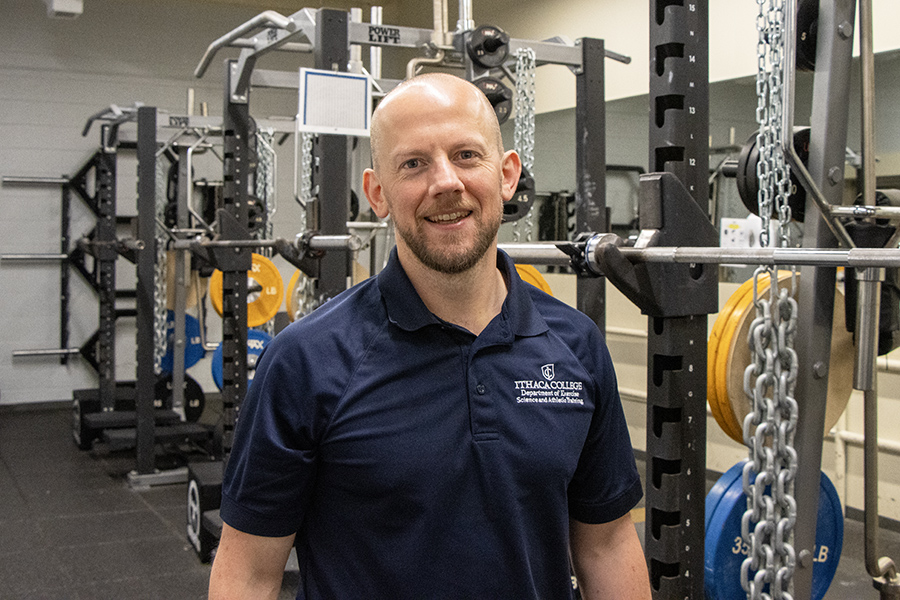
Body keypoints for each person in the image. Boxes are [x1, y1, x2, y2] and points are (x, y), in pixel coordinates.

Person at [208, 73, 651, 600]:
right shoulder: (306, 361)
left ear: (507, 176)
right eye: (414, 163)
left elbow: (606, 543)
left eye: (467, 155)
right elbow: (250, 572)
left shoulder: (575, 345)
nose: (446, 182)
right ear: (378, 192)